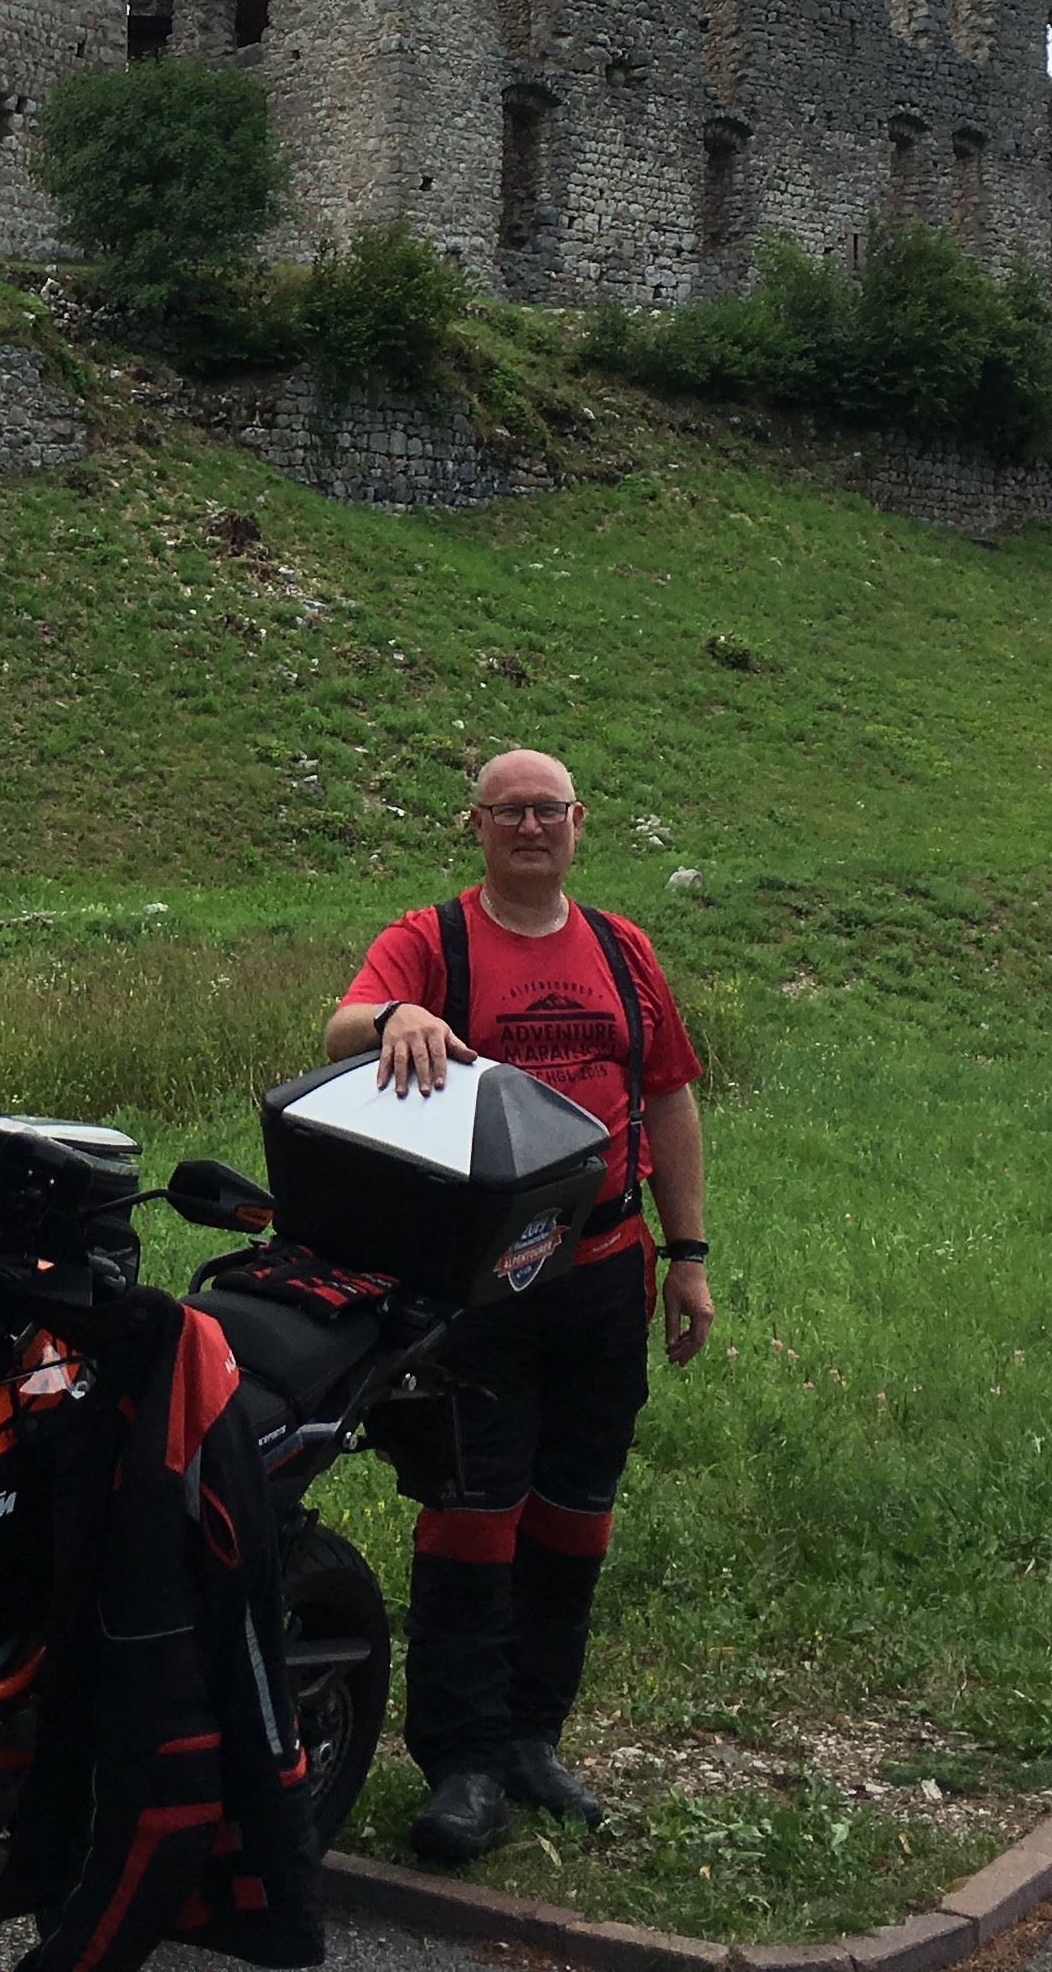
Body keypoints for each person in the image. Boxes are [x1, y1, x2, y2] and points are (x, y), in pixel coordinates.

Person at [322, 745, 713, 1867]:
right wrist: (396, 1016)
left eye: (549, 811)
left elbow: (668, 1100)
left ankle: (534, 1738)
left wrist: (688, 1256)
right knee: (471, 1512)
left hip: (608, 1270)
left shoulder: (622, 949)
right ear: (477, 827)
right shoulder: (431, 940)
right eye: (510, 812)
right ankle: (463, 1764)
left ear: (579, 824)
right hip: (483, 1281)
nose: (531, 827)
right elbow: (341, 1027)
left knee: (575, 1511)